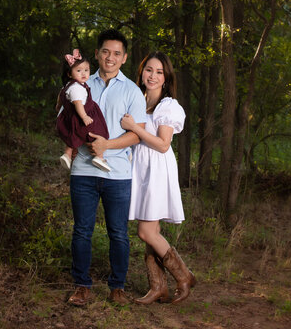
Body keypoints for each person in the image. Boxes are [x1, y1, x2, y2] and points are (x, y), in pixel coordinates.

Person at [67, 29, 147, 307]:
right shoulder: (80, 83)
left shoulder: (132, 91)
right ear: (98, 53)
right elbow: (67, 121)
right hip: (83, 171)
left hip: (118, 175)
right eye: (105, 52)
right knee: (82, 230)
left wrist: (106, 145)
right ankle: (82, 285)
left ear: (123, 58)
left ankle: (117, 287)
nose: (110, 57)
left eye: (116, 53)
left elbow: (137, 134)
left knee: (118, 233)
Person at [120, 51, 196, 305]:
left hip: (156, 168)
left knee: (145, 231)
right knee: (151, 230)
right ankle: (158, 287)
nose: (153, 76)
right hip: (140, 168)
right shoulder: (137, 100)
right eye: (149, 70)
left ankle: (184, 276)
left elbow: (163, 145)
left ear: (166, 77)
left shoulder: (168, 105)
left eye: (159, 72)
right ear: (141, 72)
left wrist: (135, 128)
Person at [56, 49, 111, 173]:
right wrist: (84, 116)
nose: (84, 74)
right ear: (70, 74)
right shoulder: (77, 88)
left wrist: (58, 107)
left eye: (86, 70)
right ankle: (99, 157)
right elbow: (78, 104)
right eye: (79, 71)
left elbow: (60, 98)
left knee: (73, 135)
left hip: (69, 119)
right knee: (99, 131)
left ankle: (67, 154)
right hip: (79, 118)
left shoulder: (67, 86)